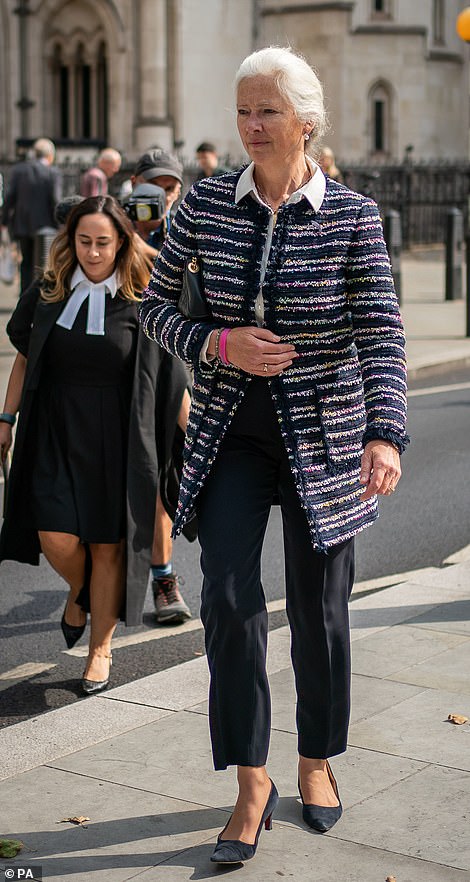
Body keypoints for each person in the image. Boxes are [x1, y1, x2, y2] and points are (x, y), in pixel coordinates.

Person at [140, 45, 409, 864]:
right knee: (225, 595)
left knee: (321, 615)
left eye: (268, 112)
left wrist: (385, 431)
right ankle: (251, 782)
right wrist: (217, 340)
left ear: (305, 122)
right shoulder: (208, 204)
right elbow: (152, 306)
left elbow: (384, 335)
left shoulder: (353, 216)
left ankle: (316, 758)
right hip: (231, 431)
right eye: (244, 111)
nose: (252, 126)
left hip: (325, 435)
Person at [0, 196, 162, 694]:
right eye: (84, 242)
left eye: (103, 243)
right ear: (71, 242)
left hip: (115, 436)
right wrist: (5, 418)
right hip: (53, 429)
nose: (92, 253)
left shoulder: (141, 296)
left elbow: (166, 376)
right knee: (56, 536)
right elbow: (25, 358)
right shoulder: (48, 290)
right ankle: (80, 588)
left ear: (122, 243)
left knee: (107, 544)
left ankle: (100, 650)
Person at [129, 153, 193, 623]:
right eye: (156, 186)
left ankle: (164, 579)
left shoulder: (186, 232)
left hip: (168, 371)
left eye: (171, 187)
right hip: (119, 373)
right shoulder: (112, 225)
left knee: (160, 476)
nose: (165, 195)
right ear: (134, 185)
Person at [0, 138, 62, 292]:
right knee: (42, 264)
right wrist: (62, 223)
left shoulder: (19, 170)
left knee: (26, 262)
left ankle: (25, 295)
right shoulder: (52, 172)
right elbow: (55, 199)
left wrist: (4, 220)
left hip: (22, 224)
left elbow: (10, 198)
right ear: (50, 155)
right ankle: (40, 296)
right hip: (46, 226)